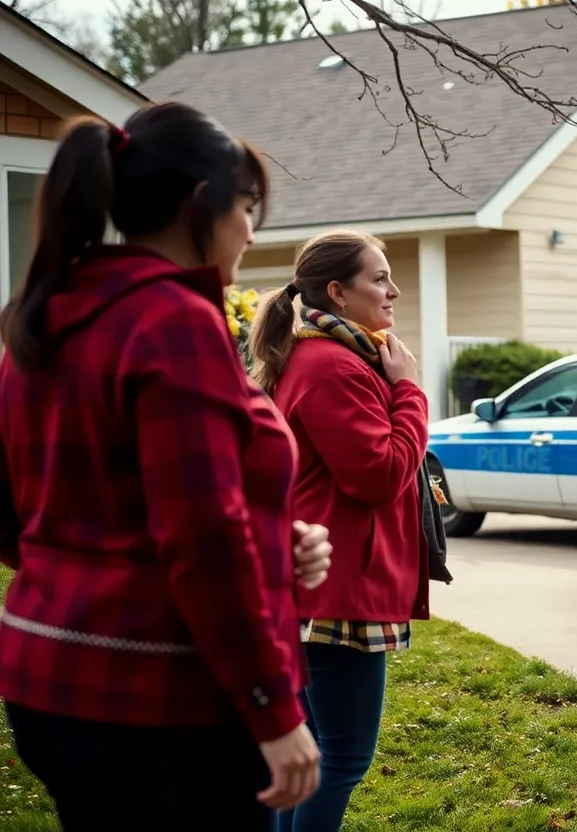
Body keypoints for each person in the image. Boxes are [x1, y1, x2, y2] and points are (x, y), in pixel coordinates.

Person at [0, 102, 328, 830]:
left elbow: (37, 510)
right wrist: (273, 708)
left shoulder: (45, 317)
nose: (251, 229)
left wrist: (271, 548)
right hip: (164, 703)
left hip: (45, 682)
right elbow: (202, 535)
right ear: (200, 203)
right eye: (246, 207)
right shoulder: (173, 321)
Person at [249, 229, 431, 831]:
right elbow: (378, 476)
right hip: (339, 589)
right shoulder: (331, 366)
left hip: (327, 580)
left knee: (309, 757)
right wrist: (408, 392)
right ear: (337, 291)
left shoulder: (328, 358)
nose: (393, 291)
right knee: (341, 757)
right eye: (379, 278)